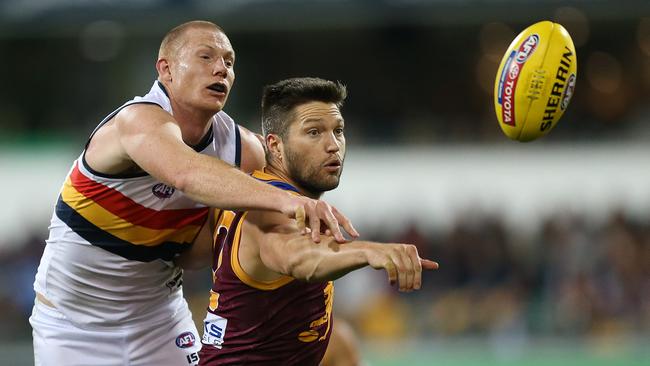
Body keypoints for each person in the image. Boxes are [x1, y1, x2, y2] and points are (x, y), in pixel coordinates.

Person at [29, 21, 357, 366]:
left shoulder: (243, 150)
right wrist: (290, 201)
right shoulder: (135, 121)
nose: (221, 68)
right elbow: (187, 172)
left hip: (159, 317)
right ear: (166, 69)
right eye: (206, 56)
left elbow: (200, 252)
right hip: (71, 326)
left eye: (229, 62)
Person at [187, 77, 438, 365]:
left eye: (339, 131)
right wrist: (369, 251)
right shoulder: (273, 209)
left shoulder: (257, 191)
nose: (333, 145)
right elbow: (297, 256)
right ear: (276, 146)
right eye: (314, 132)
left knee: (339, 342)